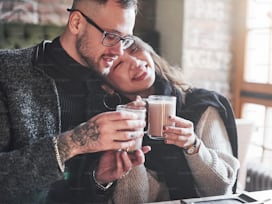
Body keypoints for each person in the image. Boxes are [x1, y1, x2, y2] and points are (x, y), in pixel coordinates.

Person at [0, 0, 151, 203]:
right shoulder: (7, 71)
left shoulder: (109, 90)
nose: (118, 52)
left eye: (125, 40)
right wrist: (73, 143)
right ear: (77, 23)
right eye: (111, 36)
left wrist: (98, 178)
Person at [99, 36, 240, 203]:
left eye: (134, 49)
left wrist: (193, 146)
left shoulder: (202, 105)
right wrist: (132, 139)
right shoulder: (108, 126)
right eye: (119, 64)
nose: (135, 62)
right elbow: (131, 200)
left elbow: (221, 189)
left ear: (150, 52)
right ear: (107, 86)